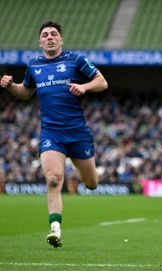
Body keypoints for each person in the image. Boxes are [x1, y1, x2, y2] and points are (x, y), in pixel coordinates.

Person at [0, 21, 108, 248]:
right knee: (52, 179)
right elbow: (25, 93)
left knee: (91, 184)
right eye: (45, 35)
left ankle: (83, 175)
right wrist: (11, 86)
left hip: (78, 132)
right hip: (51, 132)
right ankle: (55, 229)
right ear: (39, 42)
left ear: (61, 40)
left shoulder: (75, 60)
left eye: (54, 34)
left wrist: (84, 87)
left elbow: (102, 82)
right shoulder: (34, 65)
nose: (50, 37)